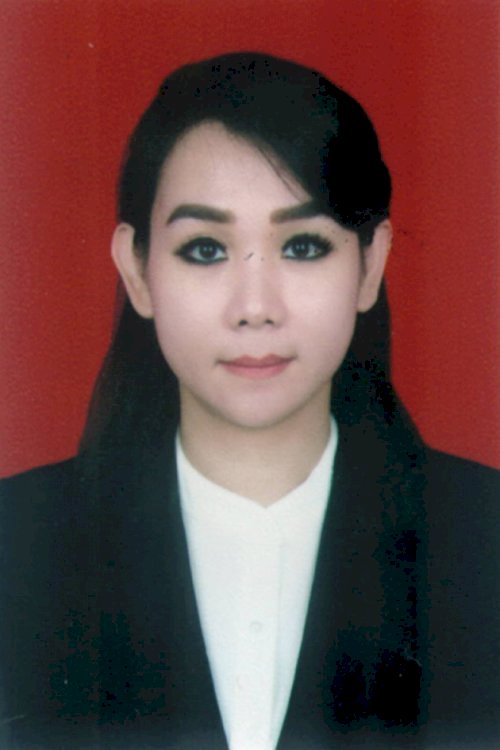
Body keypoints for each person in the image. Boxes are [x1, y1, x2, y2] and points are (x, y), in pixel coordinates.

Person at [0, 52, 498, 750]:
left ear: (370, 265)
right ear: (138, 272)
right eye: (205, 249)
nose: (255, 307)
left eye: (303, 246)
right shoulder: (16, 548)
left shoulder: (484, 542)